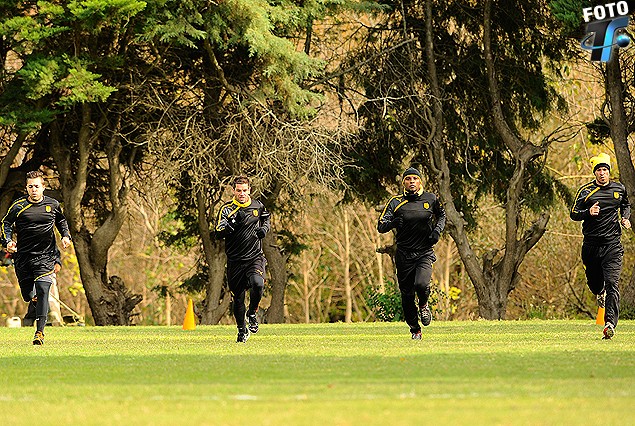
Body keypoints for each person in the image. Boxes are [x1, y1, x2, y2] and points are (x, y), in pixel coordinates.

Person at [1, 170, 72, 345]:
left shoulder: (53, 205)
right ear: (27, 188)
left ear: (43, 187)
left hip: (45, 257)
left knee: (43, 291)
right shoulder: (18, 206)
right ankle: (32, 298)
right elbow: (5, 223)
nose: (34, 190)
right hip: (23, 257)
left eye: (37, 186)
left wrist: (65, 236)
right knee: (28, 295)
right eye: (31, 186)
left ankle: (39, 333)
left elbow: (61, 221)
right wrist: (8, 241)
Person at [377, 167, 446, 340]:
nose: (412, 181)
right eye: (408, 179)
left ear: (420, 181)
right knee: (407, 296)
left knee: (422, 285)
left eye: (415, 178)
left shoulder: (431, 199)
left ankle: (423, 305)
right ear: (404, 183)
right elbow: (381, 226)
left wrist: (437, 231)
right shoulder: (395, 202)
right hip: (403, 255)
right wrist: (393, 222)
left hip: (424, 252)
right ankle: (415, 330)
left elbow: (442, 215)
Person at [570, 153, 630, 340]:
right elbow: (573, 213)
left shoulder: (619, 188)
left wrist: (625, 218)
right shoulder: (585, 191)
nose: (602, 173)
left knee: (613, 282)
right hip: (591, 245)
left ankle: (609, 324)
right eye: (599, 170)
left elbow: (625, 204)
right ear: (595, 173)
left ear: (609, 172)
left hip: (612, 245)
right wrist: (588, 212)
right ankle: (599, 292)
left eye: (605, 170)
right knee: (596, 284)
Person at [215, 176, 270, 343]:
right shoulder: (226, 209)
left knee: (258, 283)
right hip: (235, 261)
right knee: (238, 298)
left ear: (249, 190)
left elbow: (266, 218)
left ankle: (252, 313)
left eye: (244, 190)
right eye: (238, 190)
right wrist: (230, 227)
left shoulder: (258, 205)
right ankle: (241, 331)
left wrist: (264, 229)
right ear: (233, 191)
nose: (241, 193)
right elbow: (218, 232)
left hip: (254, 257)